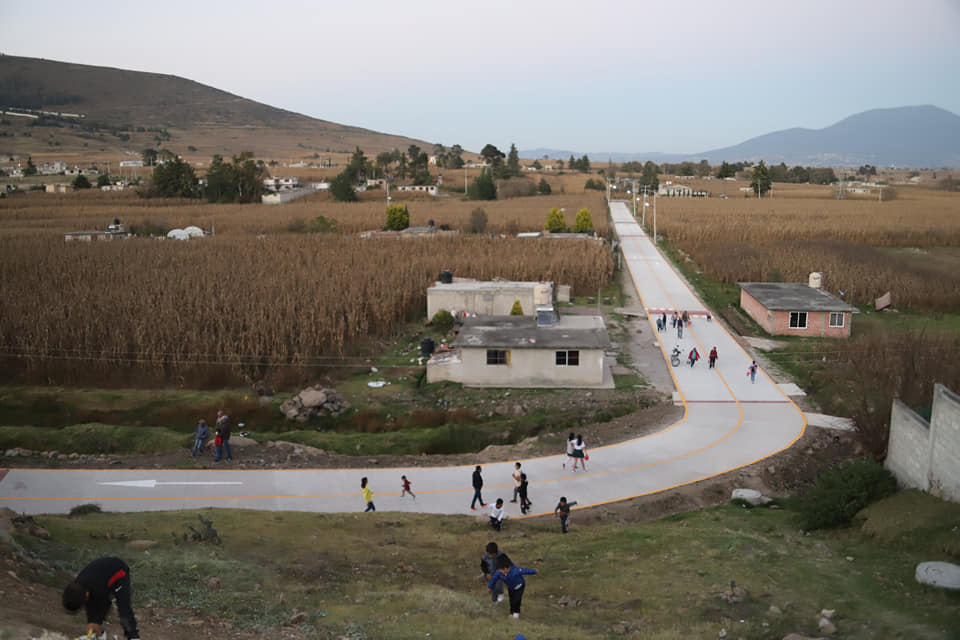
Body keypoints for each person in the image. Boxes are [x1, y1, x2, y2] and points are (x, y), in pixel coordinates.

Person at [62, 556, 140, 640]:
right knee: (94, 612)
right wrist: (92, 622)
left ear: (86, 594)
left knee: (123, 608)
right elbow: (90, 604)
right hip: (102, 573)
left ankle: (133, 636)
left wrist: (95, 622)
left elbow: (106, 604)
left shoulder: (97, 588)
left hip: (119, 571)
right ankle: (100, 634)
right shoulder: (78, 586)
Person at [488, 555, 539, 619]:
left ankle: (516, 613)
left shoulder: (515, 571)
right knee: (511, 600)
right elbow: (494, 579)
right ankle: (512, 612)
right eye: (499, 570)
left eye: (502, 570)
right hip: (511, 587)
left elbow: (525, 570)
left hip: (519, 586)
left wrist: (534, 571)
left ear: (506, 568)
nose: (501, 572)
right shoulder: (499, 572)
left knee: (517, 600)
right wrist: (490, 587)